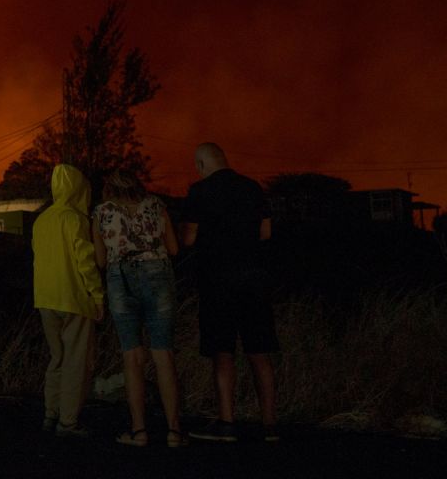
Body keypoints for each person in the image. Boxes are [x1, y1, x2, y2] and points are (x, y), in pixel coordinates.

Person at [183, 142, 279, 442]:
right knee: (259, 353)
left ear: (201, 165)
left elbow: (189, 238)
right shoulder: (253, 188)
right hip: (253, 279)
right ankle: (269, 425)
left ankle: (227, 423)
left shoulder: (199, 192)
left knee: (222, 353)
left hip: (217, 281)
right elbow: (266, 233)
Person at [93, 171, 185, 448]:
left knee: (132, 356)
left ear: (108, 187)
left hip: (120, 278)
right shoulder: (156, 205)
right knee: (163, 354)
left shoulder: (101, 212)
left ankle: (139, 431)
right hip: (157, 275)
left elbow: (100, 259)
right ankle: (174, 432)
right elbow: (173, 248)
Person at [32, 163, 104, 438]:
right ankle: (69, 422)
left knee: (57, 358)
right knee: (77, 362)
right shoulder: (75, 220)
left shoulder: (42, 220)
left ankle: (51, 414)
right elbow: (86, 263)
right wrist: (97, 297)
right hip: (73, 300)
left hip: (45, 300)